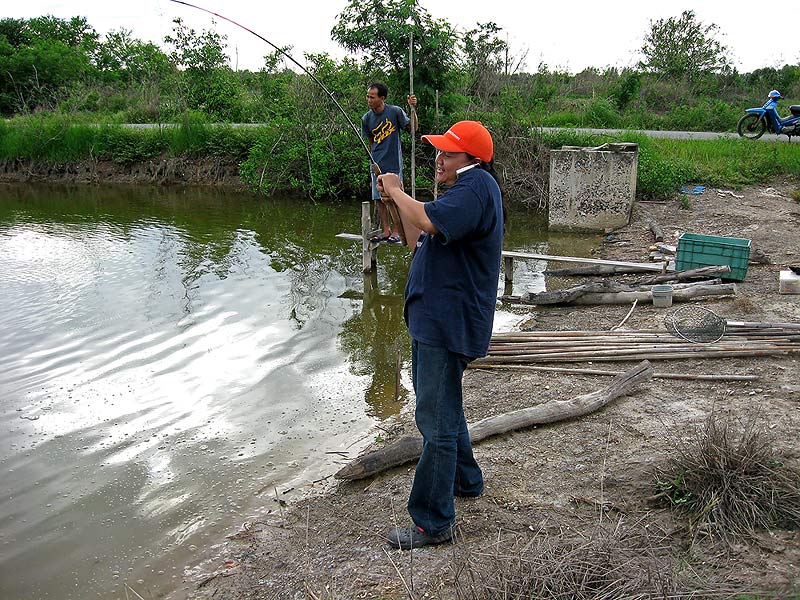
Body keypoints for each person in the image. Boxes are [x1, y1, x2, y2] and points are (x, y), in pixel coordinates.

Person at [377, 121, 505, 550]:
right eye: (438, 152)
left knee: (435, 419)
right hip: (436, 320)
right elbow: (418, 238)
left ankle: (433, 522)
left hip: (446, 323)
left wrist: (396, 189)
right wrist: (396, 205)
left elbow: (429, 222)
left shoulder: (475, 188)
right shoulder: (463, 194)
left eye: (448, 153)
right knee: (445, 406)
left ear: (471, 158)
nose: (439, 159)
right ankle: (466, 481)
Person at [362, 82, 418, 244]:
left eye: (372, 97)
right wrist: (373, 161)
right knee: (378, 198)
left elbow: (412, 128)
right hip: (377, 163)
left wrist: (413, 108)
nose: (369, 100)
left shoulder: (394, 112)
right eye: (368, 96)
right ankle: (386, 230)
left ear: (382, 98)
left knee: (395, 197)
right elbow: (371, 141)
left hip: (393, 163)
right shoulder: (366, 118)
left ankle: (396, 231)